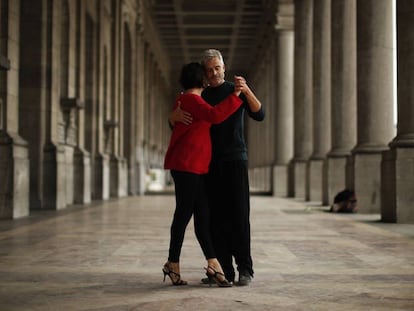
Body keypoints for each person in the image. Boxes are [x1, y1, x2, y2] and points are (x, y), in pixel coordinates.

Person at [170, 49, 265, 286]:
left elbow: (260, 114)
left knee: (239, 215)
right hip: (208, 164)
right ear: (204, 72)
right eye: (209, 69)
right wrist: (172, 118)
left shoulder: (235, 89)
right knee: (214, 219)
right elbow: (180, 124)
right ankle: (224, 271)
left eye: (217, 68)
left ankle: (245, 268)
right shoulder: (200, 95)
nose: (214, 73)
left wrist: (246, 90)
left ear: (224, 67)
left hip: (235, 159)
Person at [163, 62, 244, 287]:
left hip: (193, 166)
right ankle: (173, 262)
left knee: (202, 216)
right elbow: (216, 115)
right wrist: (237, 94)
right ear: (203, 81)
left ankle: (213, 263)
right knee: (183, 215)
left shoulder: (184, 100)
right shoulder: (193, 100)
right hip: (187, 165)